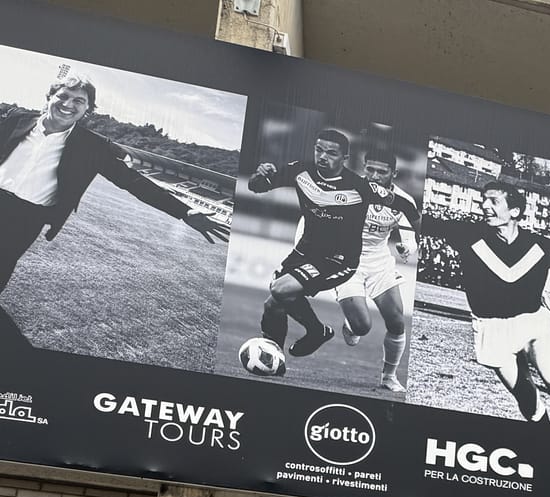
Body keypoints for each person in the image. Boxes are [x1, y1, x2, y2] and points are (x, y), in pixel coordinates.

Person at [0, 64, 229, 298]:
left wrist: (183, 211)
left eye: (79, 101)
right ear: (49, 97)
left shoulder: (93, 147)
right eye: (63, 96)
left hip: (27, 218)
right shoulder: (17, 119)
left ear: (87, 110)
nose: (68, 104)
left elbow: (132, 181)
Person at [443, 180, 550, 423]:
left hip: (533, 322)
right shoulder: (467, 235)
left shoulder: (541, 245)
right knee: (526, 398)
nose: (485, 206)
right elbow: (418, 219)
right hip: (492, 326)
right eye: (483, 200)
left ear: (515, 211)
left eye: (494, 201)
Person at [246, 127, 370, 357]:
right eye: (319, 150)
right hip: (305, 251)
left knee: (280, 289)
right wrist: (260, 173)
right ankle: (276, 360)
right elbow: (255, 186)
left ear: (345, 158)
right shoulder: (300, 170)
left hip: (338, 260)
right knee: (272, 305)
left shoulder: (360, 186)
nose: (323, 156)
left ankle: (316, 331)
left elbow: (398, 202)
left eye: (331, 153)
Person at [335, 147, 420, 393]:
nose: (373, 175)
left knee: (396, 321)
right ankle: (352, 324)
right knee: (362, 326)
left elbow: (409, 232)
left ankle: (389, 377)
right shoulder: (346, 190)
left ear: (393, 173)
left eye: (381, 172)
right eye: (369, 169)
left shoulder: (403, 201)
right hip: (345, 260)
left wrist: (408, 248)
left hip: (379, 261)